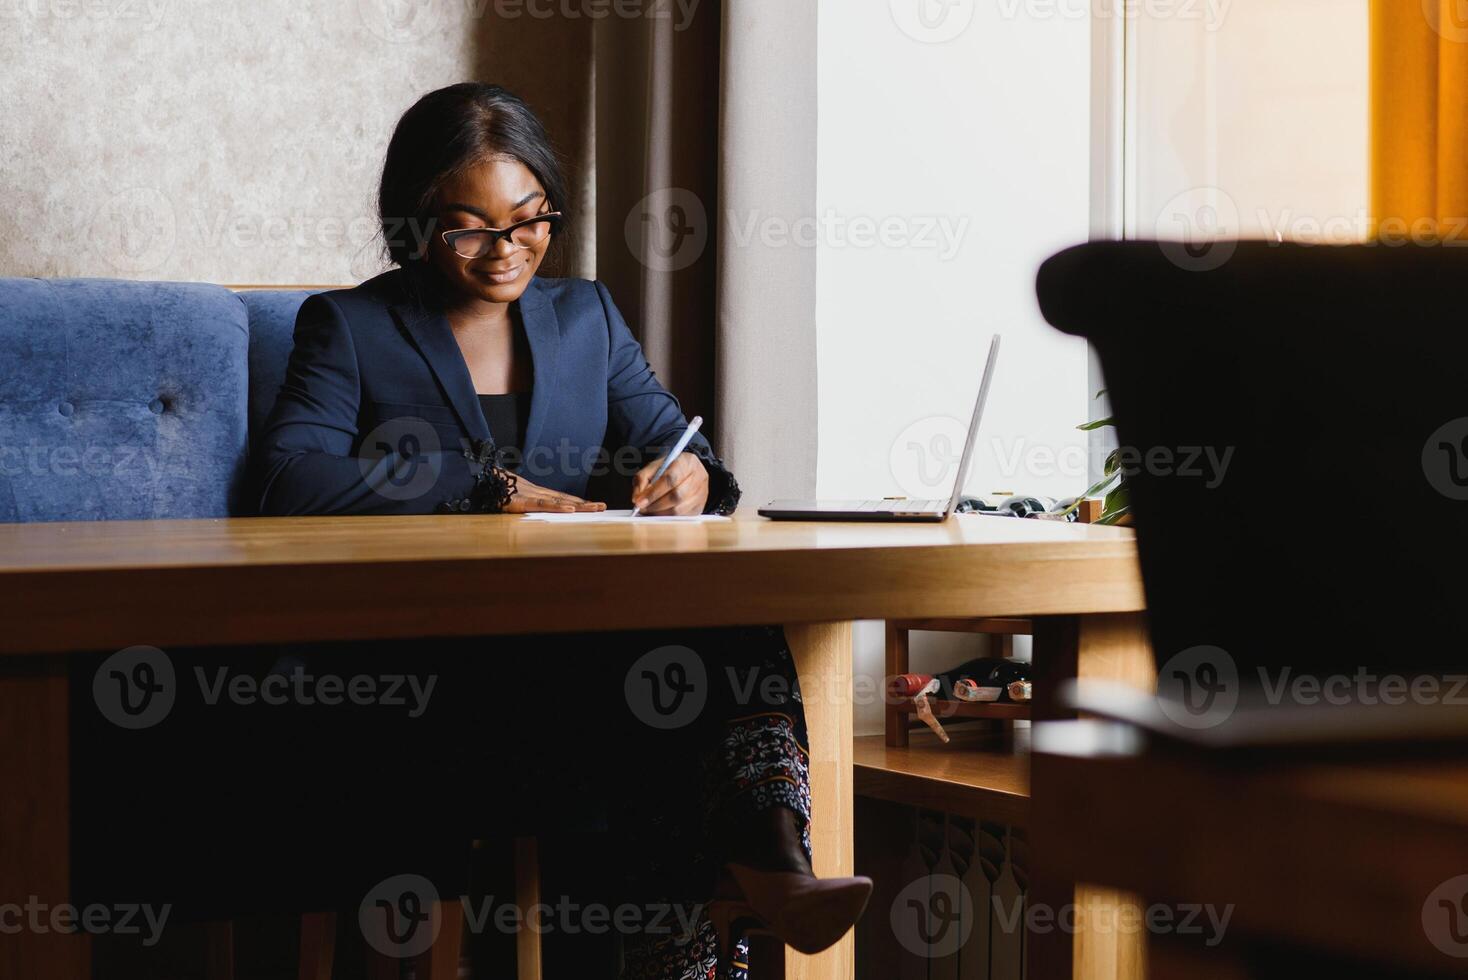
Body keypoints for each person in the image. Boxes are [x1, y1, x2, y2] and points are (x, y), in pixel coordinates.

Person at [256, 82, 870, 978]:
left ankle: (777, 861)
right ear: (416, 221)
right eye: (469, 226)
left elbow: (674, 443)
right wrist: (483, 487)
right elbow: (289, 479)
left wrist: (688, 479)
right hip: (428, 674)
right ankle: (744, 891)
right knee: (663, 708)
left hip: (587, 653)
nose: (507, 251)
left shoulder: (585, 316)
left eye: (530, 219)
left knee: (724, 623)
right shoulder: (352, 327)